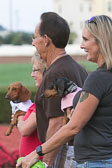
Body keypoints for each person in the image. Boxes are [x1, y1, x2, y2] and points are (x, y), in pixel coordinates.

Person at [16, 15, 112, 168]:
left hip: (95, 161)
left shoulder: (98, 78)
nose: (81, 46)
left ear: (101, 42)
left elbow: (71, 126)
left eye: (86, 40)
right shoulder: (97, 74)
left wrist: (39, 154)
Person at [16, 53, 47, 157]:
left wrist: (19, 117)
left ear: (45, 71)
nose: (32, 75)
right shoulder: (43, 98)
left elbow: (25, 130)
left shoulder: (43, 100)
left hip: (37, 161)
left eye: (35, 70)